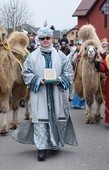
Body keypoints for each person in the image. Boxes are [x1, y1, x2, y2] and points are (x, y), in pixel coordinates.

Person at [11, 26, 78, 161]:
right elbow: (26, 73)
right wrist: (37, 80)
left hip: (56, 93)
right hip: (39, 93)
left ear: (52, 39)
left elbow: (69, 72)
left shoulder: (61, 56)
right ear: (39, 40)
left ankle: (54, 144)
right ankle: (41, 148)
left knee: (55, 118)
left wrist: (59, 80)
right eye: (42, 38)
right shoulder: (32, 57)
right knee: (40, 120)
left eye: (48, 38)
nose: (45, 41)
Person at [71, 39, 86, 109]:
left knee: (84, 89)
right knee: (77, 88)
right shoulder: (75, 53)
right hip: (77, 74)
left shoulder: (85, 54)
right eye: (79, 45)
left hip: (84, 74)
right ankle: (76, 103)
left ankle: (82, 104)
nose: (80, 47)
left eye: (81, 45)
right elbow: (73, 61)